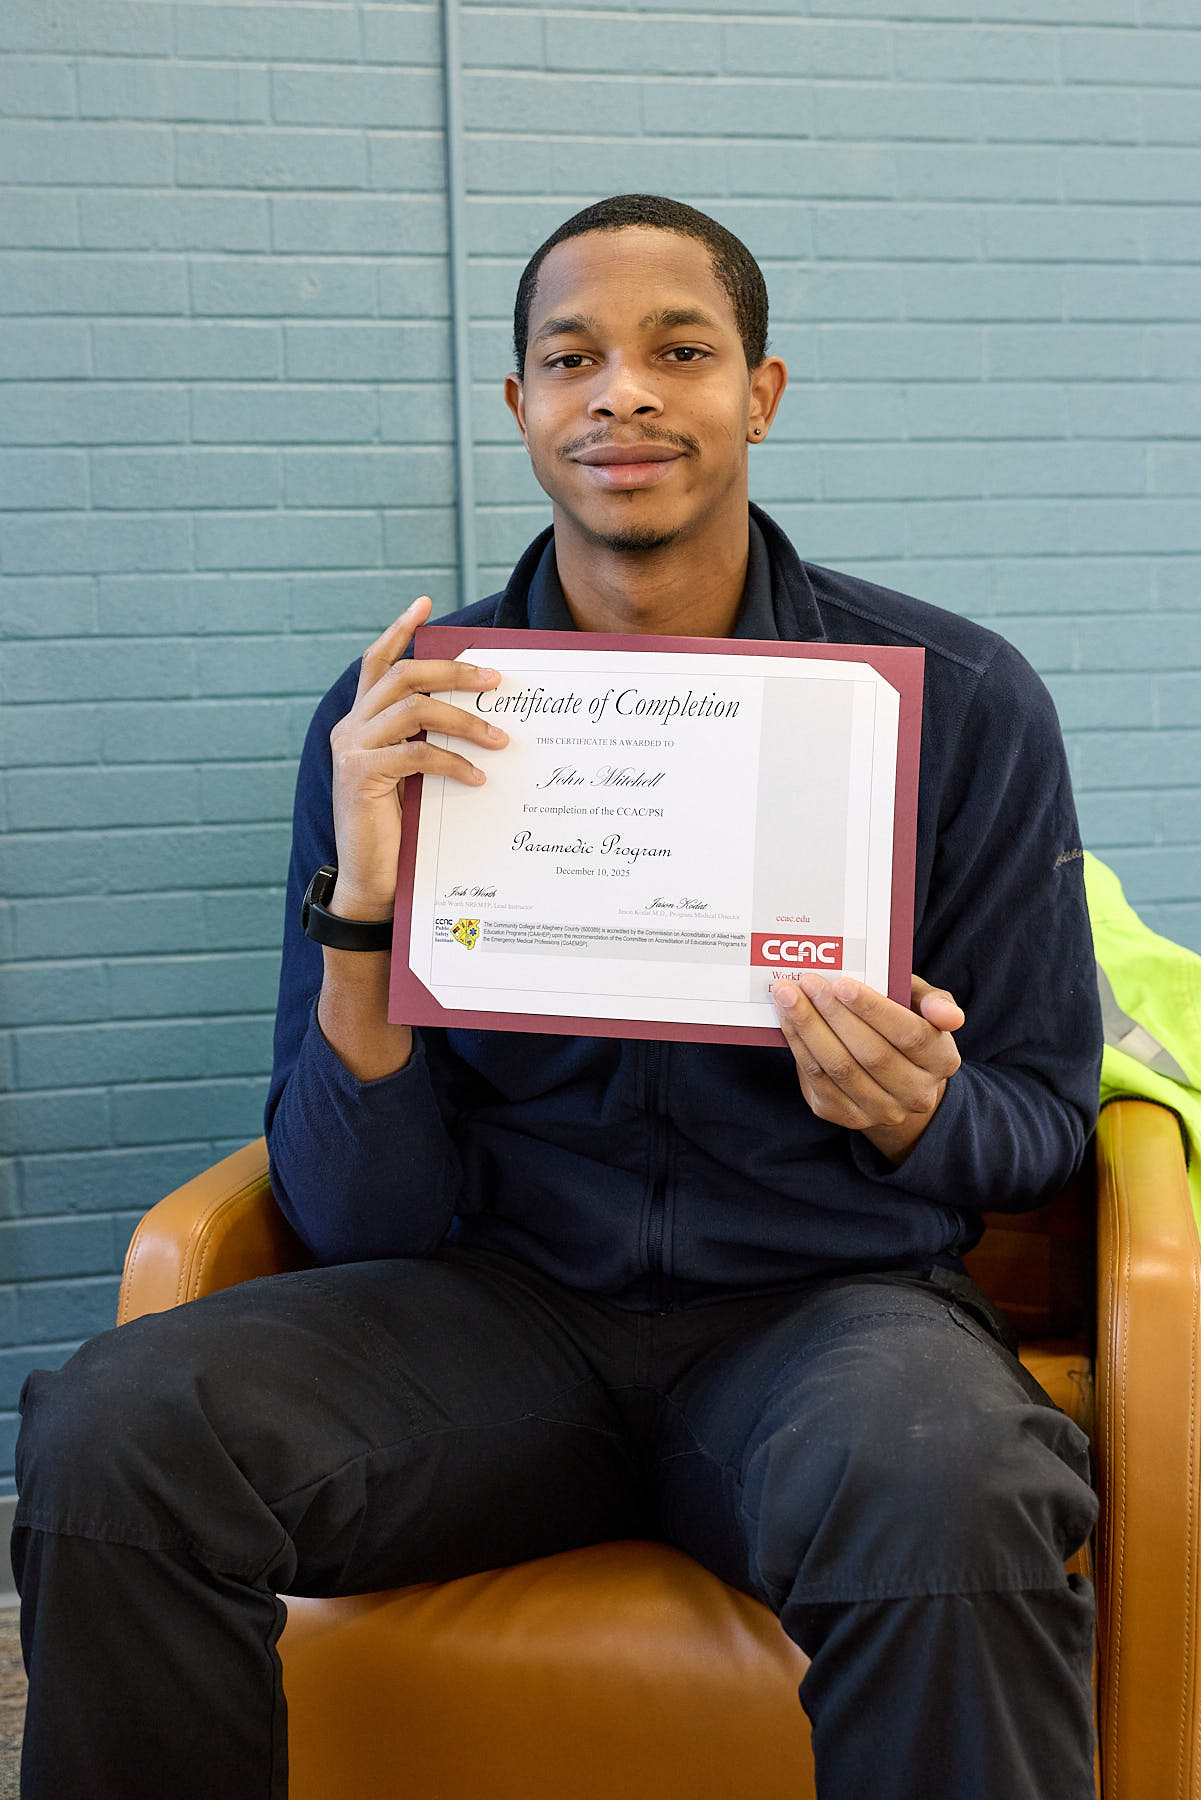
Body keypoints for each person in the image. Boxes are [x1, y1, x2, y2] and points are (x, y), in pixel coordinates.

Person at [13, 194, 1102, 1800]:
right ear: (519, 406)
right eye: (569, 357)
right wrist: (368, 918)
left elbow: (1037, 1129)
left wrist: (915, 1110)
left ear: (762, 394)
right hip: (489, 1321)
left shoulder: (957, 703)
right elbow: (352, 1208)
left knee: (949, 1478)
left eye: (680, 352)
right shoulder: (404, 714)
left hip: (825, 1323)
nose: (622, 394)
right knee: (114, 1427)